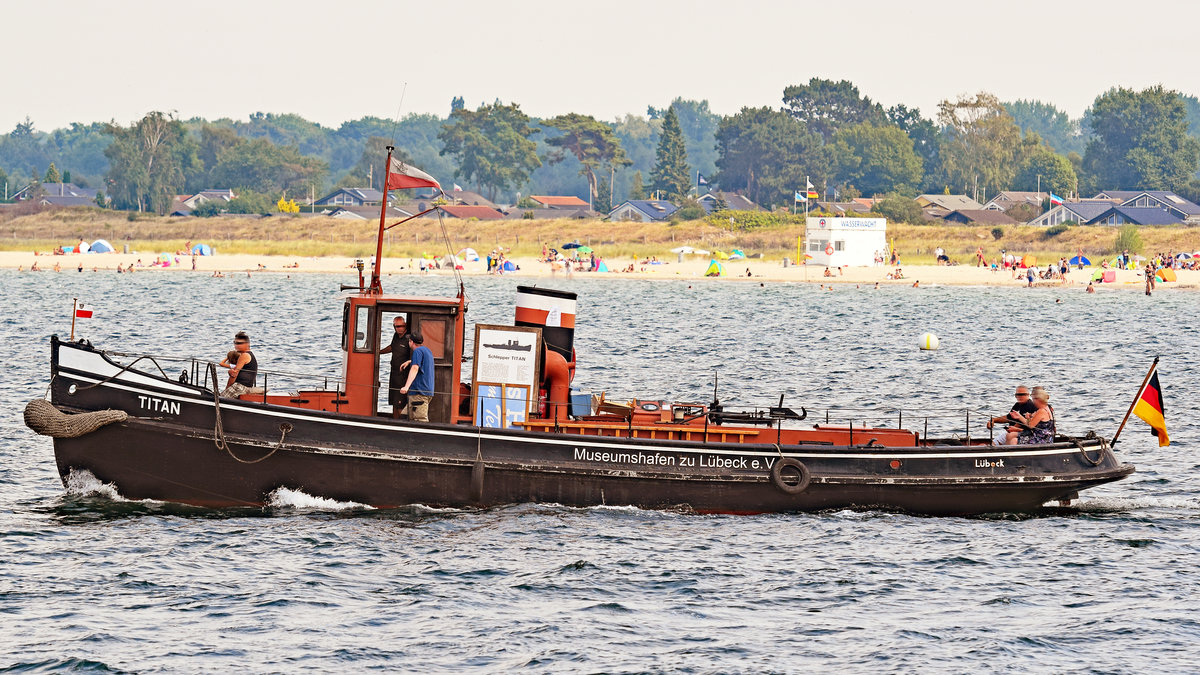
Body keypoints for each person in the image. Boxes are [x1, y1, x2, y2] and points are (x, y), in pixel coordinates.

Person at [379, 315, 412, 418]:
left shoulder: (409, 338)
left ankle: (400, 424)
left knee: (400, 402)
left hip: (403, 376)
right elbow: (392, 347)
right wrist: (378, 352)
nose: (398, 329)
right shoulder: (396, 336)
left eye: (400, 326)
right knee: (393, 401)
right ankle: (394, 420)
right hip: (393, 373)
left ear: (405, 325)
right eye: (396, 326)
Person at [399, 332, 434, 422]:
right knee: (404, 415)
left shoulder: (417, 351)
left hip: (419, 393)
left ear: (411, 342)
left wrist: (406, 387)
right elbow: (422, 362)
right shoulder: (427, 350)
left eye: (409, 341)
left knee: (420, 420)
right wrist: (410, 361)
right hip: (425, 392)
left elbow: (415, 368)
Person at [221, 331, 260, 397]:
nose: (236, 346)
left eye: (239, 343)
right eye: (235, 343)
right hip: (245, 386)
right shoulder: (249, 355)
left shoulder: (244, 355)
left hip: (240, 387)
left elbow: (234, 375)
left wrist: (227, 389)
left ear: (247, 344)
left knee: (221, 398)